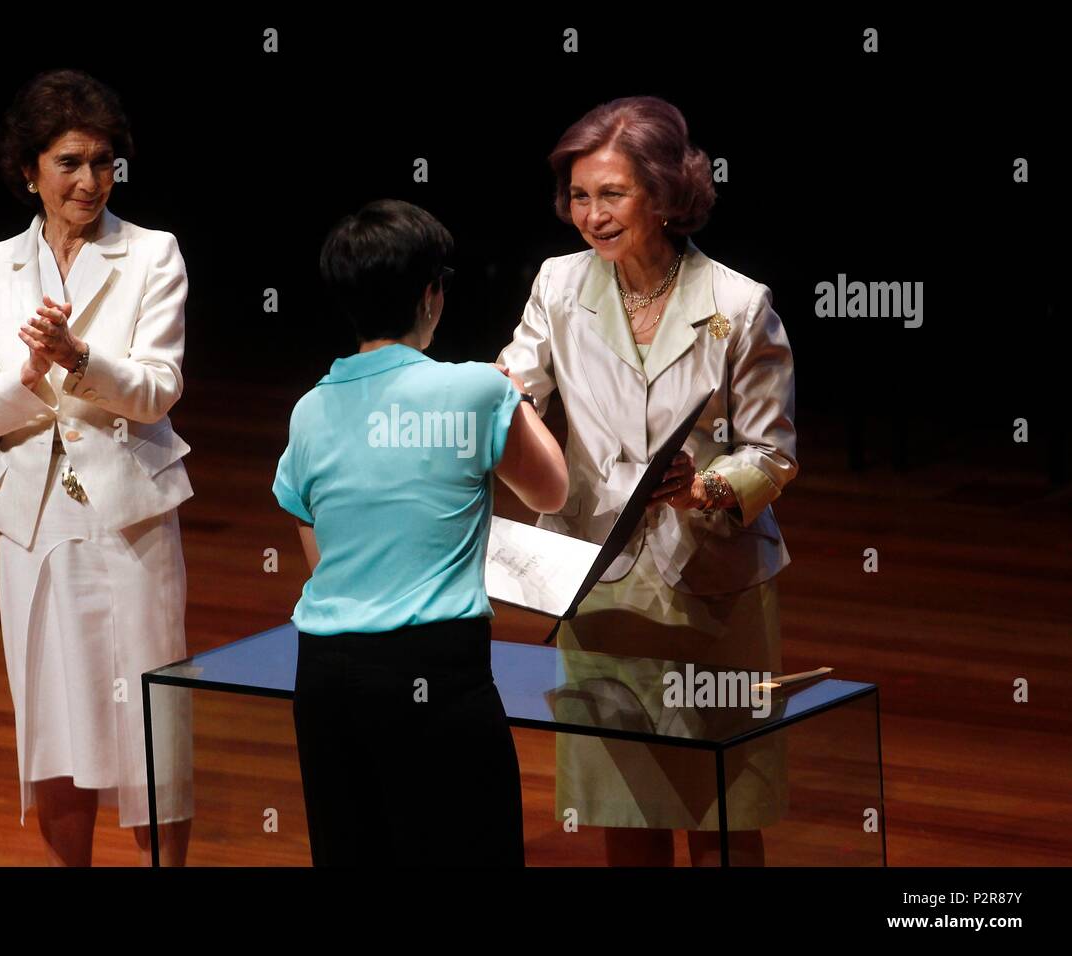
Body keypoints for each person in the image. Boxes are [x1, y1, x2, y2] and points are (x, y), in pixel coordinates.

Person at [497, 96, 799, 866]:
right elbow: (516, 386)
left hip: (708, 576)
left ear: (664, 195)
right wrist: (491, 407)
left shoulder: (738, 304)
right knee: (621, 799)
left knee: (721, 806)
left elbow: (771, 453)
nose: (590, 215)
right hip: (596, 573)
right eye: (578, 195)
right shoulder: (559, 286)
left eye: (611, 194)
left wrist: (706, 487)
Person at [273, 199, 568, 866]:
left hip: (324, 678)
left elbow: (320, 558)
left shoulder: (309, 410)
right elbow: (552, 491)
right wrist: (515, 395)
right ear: (431, 295)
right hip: (435, 672)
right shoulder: (473, 390)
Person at [0, 68, 194, 866]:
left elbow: (158, 391)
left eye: (102, 161)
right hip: (33, 523)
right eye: (69, 162)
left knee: (148, 727)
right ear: (29, 171)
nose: (89, 181)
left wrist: (79, 357)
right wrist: (32, 374)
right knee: (54, 724)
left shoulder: (152, 254)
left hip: (127, 517)